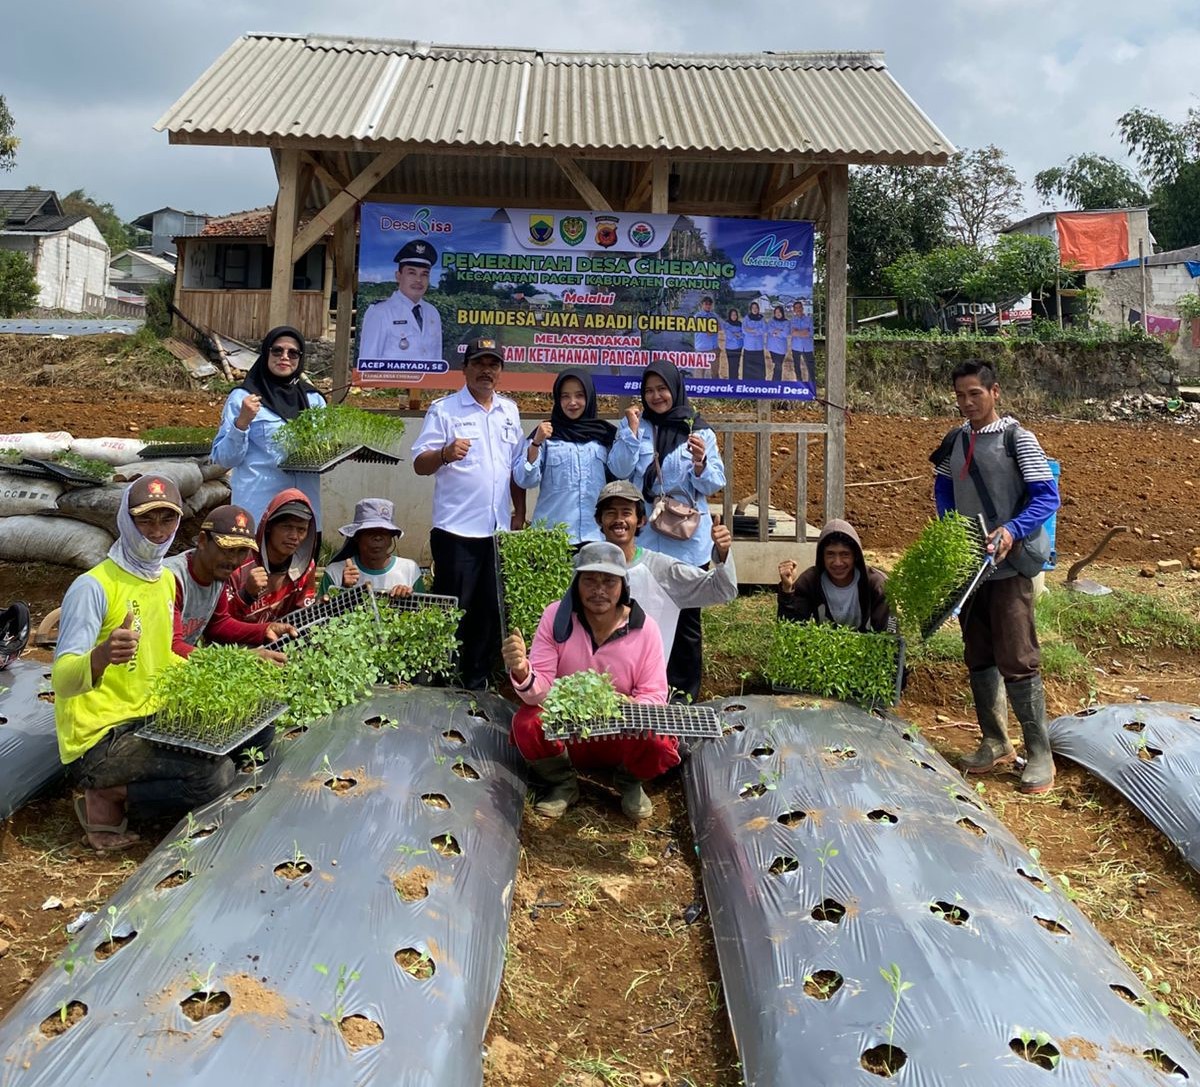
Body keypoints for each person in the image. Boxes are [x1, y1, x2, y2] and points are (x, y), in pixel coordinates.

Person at [52, 477, 235, 852]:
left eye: (167, 520)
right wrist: (101, 656)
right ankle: (104, 794)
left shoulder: (164, 580)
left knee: (235, 740)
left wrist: (221, 675)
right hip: (101, 739)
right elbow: (62, 681)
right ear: (125, 521)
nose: (156, 531)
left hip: (147, 719)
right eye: (145, 520)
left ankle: (121, 793)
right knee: (213, 777)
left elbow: (161, 655)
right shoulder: (93, 587)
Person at [932, 359, 1060, 795]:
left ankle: (1039, 751)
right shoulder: (956, 439)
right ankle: (995, 740)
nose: (967, 403)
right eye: (960, 395)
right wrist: (953, 529)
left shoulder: (1016, 439)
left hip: (1007, 565)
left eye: (975, 394)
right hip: (971, 566)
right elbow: (944, 486)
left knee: (1017, 654)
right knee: (979, 651)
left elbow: (1047, 496)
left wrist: (1010, 530)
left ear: (994, 392)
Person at [501, 542, 674, 821]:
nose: (599, 590)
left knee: (660, 738)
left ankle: (629, 781)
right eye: (590, 580)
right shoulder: (557, 618)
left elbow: (654, 695)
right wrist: (522, 670)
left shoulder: (645, 629)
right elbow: (540, 690)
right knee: (527, 723)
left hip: (619, 736)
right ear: (576, 583)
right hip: (569, 735)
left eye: (609, 581)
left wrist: (628, 705)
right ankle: (563, 782)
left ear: (623, 586)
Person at [608, 360, 725, 702]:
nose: (656, 396)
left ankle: (683, 696)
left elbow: (715, 483)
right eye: (649, 390)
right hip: (645, 542)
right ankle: (646, 693)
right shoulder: (634, 426)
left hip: (688, 545)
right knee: (641, 620)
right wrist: (630, 434)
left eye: (662, 388)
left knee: (686, 624)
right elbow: (618, 469)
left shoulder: (698, 430)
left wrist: (701, 462)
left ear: (675, 389)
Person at [412, 336, 524, 689]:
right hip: (456, 531)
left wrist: (518, 514)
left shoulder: (510, 411)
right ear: (466, 368)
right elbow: (419, 464)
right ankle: (442, 680)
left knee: (489, 611)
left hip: (496, 531)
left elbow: (515, 468)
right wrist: (444, 453)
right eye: (479, 363)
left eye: (493, 365)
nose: (485, 371)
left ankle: (476, 681)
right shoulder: (444, 411)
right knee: (453, 610)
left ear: (501, 372)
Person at [595, 480, 737, 659]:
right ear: (599, 520)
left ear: (641, 520)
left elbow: (724, 590)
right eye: (610, 513)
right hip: (594, 683)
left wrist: (722, 553)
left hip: (647, 684)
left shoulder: (661, 569)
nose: (619, 520)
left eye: (626, 512)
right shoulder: (584, 568)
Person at [211, 326, 325, 525]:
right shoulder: (243, 398)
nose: (285, 357)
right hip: (259, 510)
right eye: (277, 350)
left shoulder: (314, 400)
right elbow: (224, 459)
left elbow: (325, 451)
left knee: (301, 557)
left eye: (293, 353)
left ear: (301, 358)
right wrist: (242, 422)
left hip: (303, 512)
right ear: (266, 353)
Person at [167, 504, 296, 657]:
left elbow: (218, 624)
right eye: (226, 549)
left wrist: (265, 629)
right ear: (202, 541)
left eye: (242, 551)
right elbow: (173, 646)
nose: (233, 560)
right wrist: (244, 658)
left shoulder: (216, 573)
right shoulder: (173, 578)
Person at [515, 369, 617, 545]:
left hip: (596, 536)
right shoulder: (545, 434)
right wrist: (535, 444)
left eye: (579, 395)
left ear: (590, 397)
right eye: (565, 396)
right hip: (552, 538)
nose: (572, 402)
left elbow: (622, 474)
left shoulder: (606, 435)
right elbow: (524, 481)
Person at [225, 489, 319, 625]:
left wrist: (320, 607)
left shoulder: (304, 568)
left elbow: (304, 618)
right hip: (239, 643)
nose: (294, 536)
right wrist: (246, 594)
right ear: (268, 526)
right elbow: (219, 623)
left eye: (301, 530)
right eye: (287, 527)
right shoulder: (239, 564)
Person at [777, 519, 890, 631]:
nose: (837, 562)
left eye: (845, 554)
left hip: (866, 646)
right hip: (824, 646)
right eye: (830, 554)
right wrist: (787, 591)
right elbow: (791, 630)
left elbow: (891, 633)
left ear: (855, 556)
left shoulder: (877, 584)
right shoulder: (809, 581)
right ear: (822, 556)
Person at [357, 239, 444, 362]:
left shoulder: (432, 312)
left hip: (429, 381)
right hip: (392, 381)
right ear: (398, 276)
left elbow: (437, 360)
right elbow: (368, 363)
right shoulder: (380, 312)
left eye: (424, 274)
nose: (419, 280)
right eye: (412, 273)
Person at [319, 497, 424, 597]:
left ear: (391, 537)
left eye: (384, 532)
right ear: (356, 537)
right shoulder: (335, 572)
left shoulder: (410, 570)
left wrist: (408, 599)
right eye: (370, 532)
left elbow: (423, 610)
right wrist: (342, 589)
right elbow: (320, 613)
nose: (378, 538)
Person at [789, 299, 815, 384]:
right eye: (796, 308)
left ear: (802, 308)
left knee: (810, 367)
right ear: (794, 310)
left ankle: (810, 386)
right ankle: (800, 384)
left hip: (807, 347)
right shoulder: (792, 320)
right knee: (797, 366)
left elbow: (810, 333)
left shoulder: (809, 319)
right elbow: (792, 333)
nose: (798, 309)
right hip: (796, 347)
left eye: (799, 307)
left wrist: (798, 332)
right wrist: (804, 331)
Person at [741, 301, 766, 381]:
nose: (755, 309)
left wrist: (752, 330)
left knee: (759, 370)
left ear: (758, 309)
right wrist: (757, 331)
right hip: (749, 347)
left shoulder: (761, 318)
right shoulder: (746, 318)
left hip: (758, 348)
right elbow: (744, 330)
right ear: (750, 309)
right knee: (748, 371)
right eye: (753, 308)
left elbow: (764, 329)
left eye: (756, 308)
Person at [692, 295, 718, 363]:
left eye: (710, 304)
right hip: (702, 348)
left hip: (713, 348)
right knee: (700, 371)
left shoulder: (714, 316)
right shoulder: (697, 316)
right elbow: (708, 332)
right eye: (706, 304)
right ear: (702, 305)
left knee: (714, 372)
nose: (708, 306)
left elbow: (720, 327)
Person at [768, 304, 790, 382]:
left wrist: (776, 332)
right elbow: (770, 330)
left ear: (782, 313)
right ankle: (775, 383)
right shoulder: (771, 321)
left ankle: (776, 383)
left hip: (781, 349)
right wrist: (780, 331)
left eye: (779, 312)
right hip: (772, 348)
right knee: (775, 365)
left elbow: (785, 333)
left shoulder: (786, 322)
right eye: (776, 312)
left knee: (778, 366)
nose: (778, 313)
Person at [721, 308, 743, 382]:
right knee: (731, 366)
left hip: (739, 347)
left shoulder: (740, 324)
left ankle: (736, 381)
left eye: (735, 315)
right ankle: (731, 381)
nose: (734, 316)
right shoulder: (726, 324)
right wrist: (737, 335)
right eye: (732, 315)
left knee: (737, 365)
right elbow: (729, 335)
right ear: (729, 316)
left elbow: (743, 335)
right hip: (730, 348)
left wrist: (736, 334)